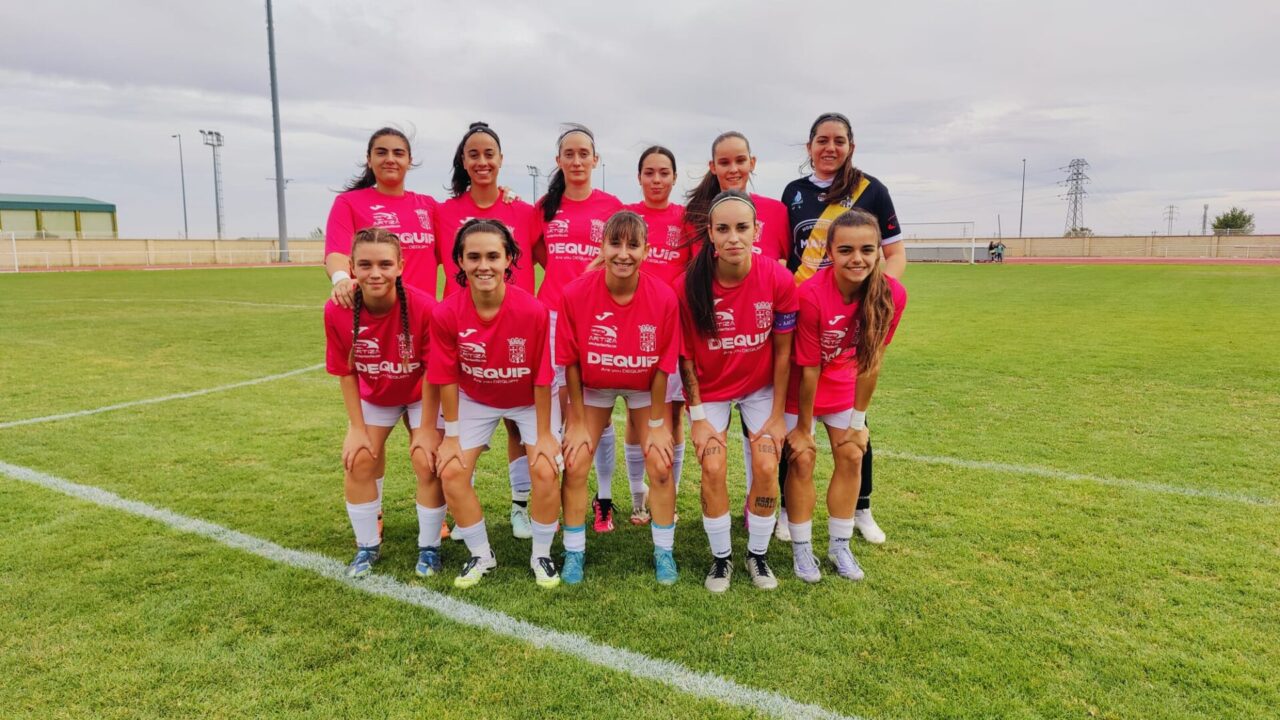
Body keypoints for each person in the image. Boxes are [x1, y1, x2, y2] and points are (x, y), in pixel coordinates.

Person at [777, 112, 905, 545]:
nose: (830, 148)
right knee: (793, 415)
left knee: (855, 421)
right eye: (822, 141)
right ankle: (784, 507)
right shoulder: (793, 193)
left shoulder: (872, 190)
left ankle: (861, 507)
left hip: (856, 309)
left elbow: (894, 253)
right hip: (804, 308)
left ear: (852, 146)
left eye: (839, 141)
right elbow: (785, 257)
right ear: (809, 145)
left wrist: (877, 300)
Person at [429, 219, 562, 589]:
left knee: (546, 468)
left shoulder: (532, 310)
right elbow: (446, 377)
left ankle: (542, 554)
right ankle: (481, 554)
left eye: (492, 256)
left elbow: (541, 377)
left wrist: (547, 435)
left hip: (529, 398)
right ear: (459, 261)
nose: (483, 265)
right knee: (452, 470)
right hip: (477, 396)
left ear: (509, 260)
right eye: (473, 257)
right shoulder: (446, 313)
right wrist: (451, 436)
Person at [676, 190, 798, 593]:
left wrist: (778, 414)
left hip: (758, 388)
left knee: (766, 465)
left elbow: (783, 355)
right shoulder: (688, 285)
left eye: (742, 228)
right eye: (723, 229)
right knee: (712, 466)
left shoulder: (779, 279)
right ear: (709, 234)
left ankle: (757, 556)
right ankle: (721, 559)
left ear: (757, 231)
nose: (733, 237)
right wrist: (695, 418)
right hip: (709, 388)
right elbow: (687, 359)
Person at [783, 209, 907, 583]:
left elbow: (871, 363)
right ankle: (802, 549)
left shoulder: (892, 295)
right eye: (846, 250)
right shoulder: (810, 296)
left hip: (842, 387)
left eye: (867, 250)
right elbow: (808, 369)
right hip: (798, 389)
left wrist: (857, 423)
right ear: (830, 253)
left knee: (853, 454)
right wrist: (803, 429)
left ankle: (839, 545)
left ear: (878, 253)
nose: (857, 259)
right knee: (802, 459)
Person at [557, 211, 680, 585]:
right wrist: (576, 421)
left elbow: (662, 366)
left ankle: (664, 551)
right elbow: (571, 362)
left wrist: (658, 424)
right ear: (602, 246)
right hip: (595, 385)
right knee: (576, 461)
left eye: (633, 245)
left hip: (645, 387)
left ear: (647, 250)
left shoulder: (663, 297)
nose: (623, 253)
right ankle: (574, 551)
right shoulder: (575, 293)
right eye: (615, 243)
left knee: (660, 463)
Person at [435, 121, 542, 541]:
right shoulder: (442, 211)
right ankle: (466, 508)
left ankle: (520, 509)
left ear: (501, 160)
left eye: (489, 154)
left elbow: (557, 262)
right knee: (460, 418)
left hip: (517, 331)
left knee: (519, 426)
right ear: (463, 161)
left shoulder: (524, 211)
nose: (482, 161)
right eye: (473, 154)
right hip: (463, 330)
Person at [323, 228, 443, 578]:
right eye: (365, 264)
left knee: (427, 459)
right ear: (351, 267)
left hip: (421, 392)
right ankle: (367, 547)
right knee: (358, 459)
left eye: (385, 264)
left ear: (401, 266)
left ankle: (430, 548)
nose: (375, 273)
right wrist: (357, 429)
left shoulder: (423, 307)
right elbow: (345, 371)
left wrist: (424, 429)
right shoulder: (337, 310)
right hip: (376, 395)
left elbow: (435, 373)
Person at [532, 124, 625, 533]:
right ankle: (554, 493)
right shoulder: (544, 207)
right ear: (558, 161)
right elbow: (539, 253)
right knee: (554, 408)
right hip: (553, 315)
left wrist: (593, 271)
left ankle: (603, 499)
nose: (576, 160)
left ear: (595, 159)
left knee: (593, 414)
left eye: (583, 153)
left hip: (598, 318)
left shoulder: (611, 206)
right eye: (568, 153)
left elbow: (623, 254)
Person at [622, 145, 692, 524]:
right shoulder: (628, 217)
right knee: (637, 420)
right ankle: (637, 499)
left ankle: (670, 497)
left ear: (674, 177)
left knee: (673, 419)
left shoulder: (686, 220)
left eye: (664, 172)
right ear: (639, 177)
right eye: (649, 172)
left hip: (674, 330)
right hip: (632, 331)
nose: (656, 179)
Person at [325, 128, 439, 307]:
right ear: (369, 160)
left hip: (422, 317)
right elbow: (337, 253)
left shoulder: (428, 206)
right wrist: (341, 280)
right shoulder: (348, 203)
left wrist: (499, 195)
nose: (390, 159)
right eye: (381, 152)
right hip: (372, 316)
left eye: (398, 153)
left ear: (409, 161)